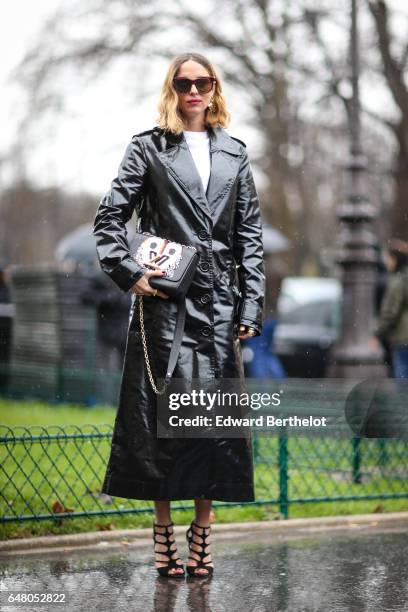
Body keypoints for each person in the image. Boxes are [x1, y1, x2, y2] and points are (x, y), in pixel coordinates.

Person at [93, 52, 265, 578]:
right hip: (165, 304)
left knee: (212, 425)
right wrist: (130, 273)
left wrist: (251, 302)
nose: (194, 91)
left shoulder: (235, 152)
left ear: (215, 88)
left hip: (219, 308)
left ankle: (203, 533)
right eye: (183, 82)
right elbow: (110, 216)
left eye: (203, 82)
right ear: (172, 88)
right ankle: (163, 530)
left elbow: (249, 237)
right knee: (160, 426)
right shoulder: (148, 147)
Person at [371, 239, 408, 378]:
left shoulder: (397, 281)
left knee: (403, 381)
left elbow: (390, 312)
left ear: (395, 259)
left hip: (404, 338)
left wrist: (377, 334)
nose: (387, 262)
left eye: (389, 258)